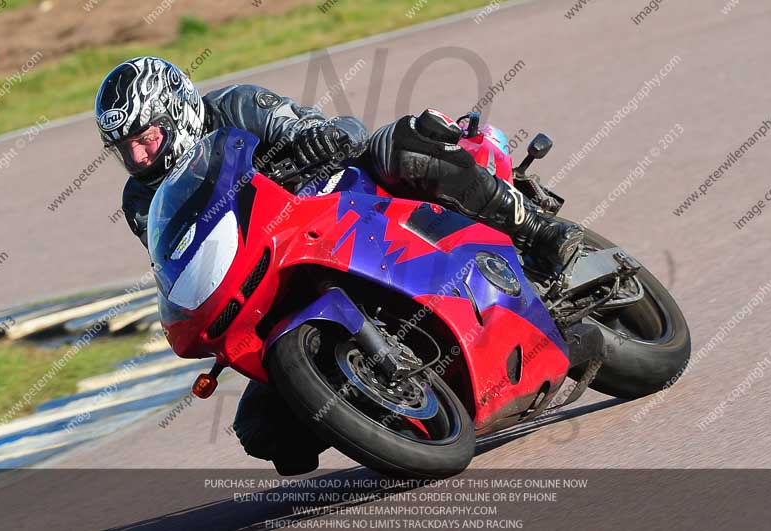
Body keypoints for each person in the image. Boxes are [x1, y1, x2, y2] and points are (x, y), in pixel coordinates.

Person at [96, 56, 583, 474]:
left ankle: (536, 229)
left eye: (147, 137)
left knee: (398, 148)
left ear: (176, 110)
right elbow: (180, 258)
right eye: (124, 149)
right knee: (263, 432)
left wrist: (313, 141)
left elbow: (313, 126)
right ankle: (386, 408)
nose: (138, 155)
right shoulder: (140, 198)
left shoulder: (236, 106)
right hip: (272, 268)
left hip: (340, 204)